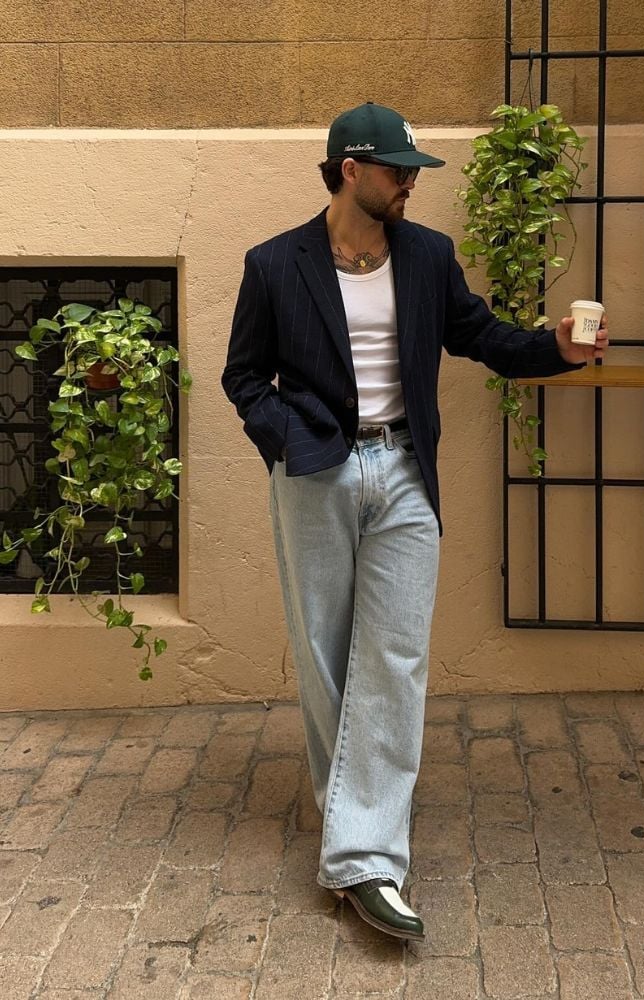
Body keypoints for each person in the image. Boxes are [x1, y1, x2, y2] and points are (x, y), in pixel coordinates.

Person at [222, 101, 609, 942]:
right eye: (398, 170)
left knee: (394, 656)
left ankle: (365, 857)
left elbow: (481, 337)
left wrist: (557, 350)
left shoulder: (428, 256)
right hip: (316, 472)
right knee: (326, 654)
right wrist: (289, 440)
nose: (410, 183)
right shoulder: (273, 264)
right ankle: (353, 826)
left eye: (412, 170)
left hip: (403, 472)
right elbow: (243, 377)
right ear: (349, 170)